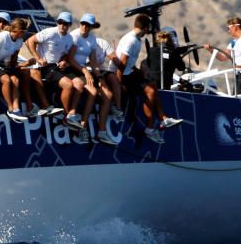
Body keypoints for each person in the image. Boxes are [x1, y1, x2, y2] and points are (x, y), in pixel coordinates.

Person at [116, 15, 182, 144]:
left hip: (129, 73)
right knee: (150, 92)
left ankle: (163, 119)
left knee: (152, 87)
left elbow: (129, 64)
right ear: (145, 28)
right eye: (148, 29)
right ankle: (150, 129)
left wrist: (138, 72)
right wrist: (118, 83)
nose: (148, 32)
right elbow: (122, 63)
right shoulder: (132, 41)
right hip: (123, 75)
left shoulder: (136, 39)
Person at [25, 11, 78, 123]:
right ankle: (67, 115)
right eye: (60, 22)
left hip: (55, 67)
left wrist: (63, 60)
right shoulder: (50, 32)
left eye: (65, 23)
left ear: (70, 25)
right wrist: (38, 58)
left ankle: (67, 114)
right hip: (44, 67)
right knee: (68, 85)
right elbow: (29, 41)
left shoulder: (69, 38)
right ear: (57, 22)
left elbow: (64, 54)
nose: (62, 25)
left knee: (77, 84)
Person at [68, 13, 108, 144]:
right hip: (72, 70)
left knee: (100, 92)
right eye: (82, 23)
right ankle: (76, 120)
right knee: (90, 90)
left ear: (91, 27)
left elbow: (94, 61)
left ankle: (86, 127)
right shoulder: (74, 36)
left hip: (83, 71)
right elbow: (70, 58)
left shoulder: (92, 39)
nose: (84, 26)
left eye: (88, 25)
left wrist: (100, 77)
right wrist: (85, 71)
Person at [0, 18, 30, 120]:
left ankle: (17, 109)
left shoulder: (19, 41)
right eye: (24, 32)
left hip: (3, 64)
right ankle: (11, 109)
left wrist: (21, 66)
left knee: (15, 80)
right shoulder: (2, 37)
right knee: (6, 80)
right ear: (19, 31)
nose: (25, 34)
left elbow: (13, 59)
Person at [202, 16, 241, 94]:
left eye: (229, 28)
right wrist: (210, 50)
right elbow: (222, 57)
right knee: (237, 99)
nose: (228, 31)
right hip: (239, 74)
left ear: (235, 27)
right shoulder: (233, 42)